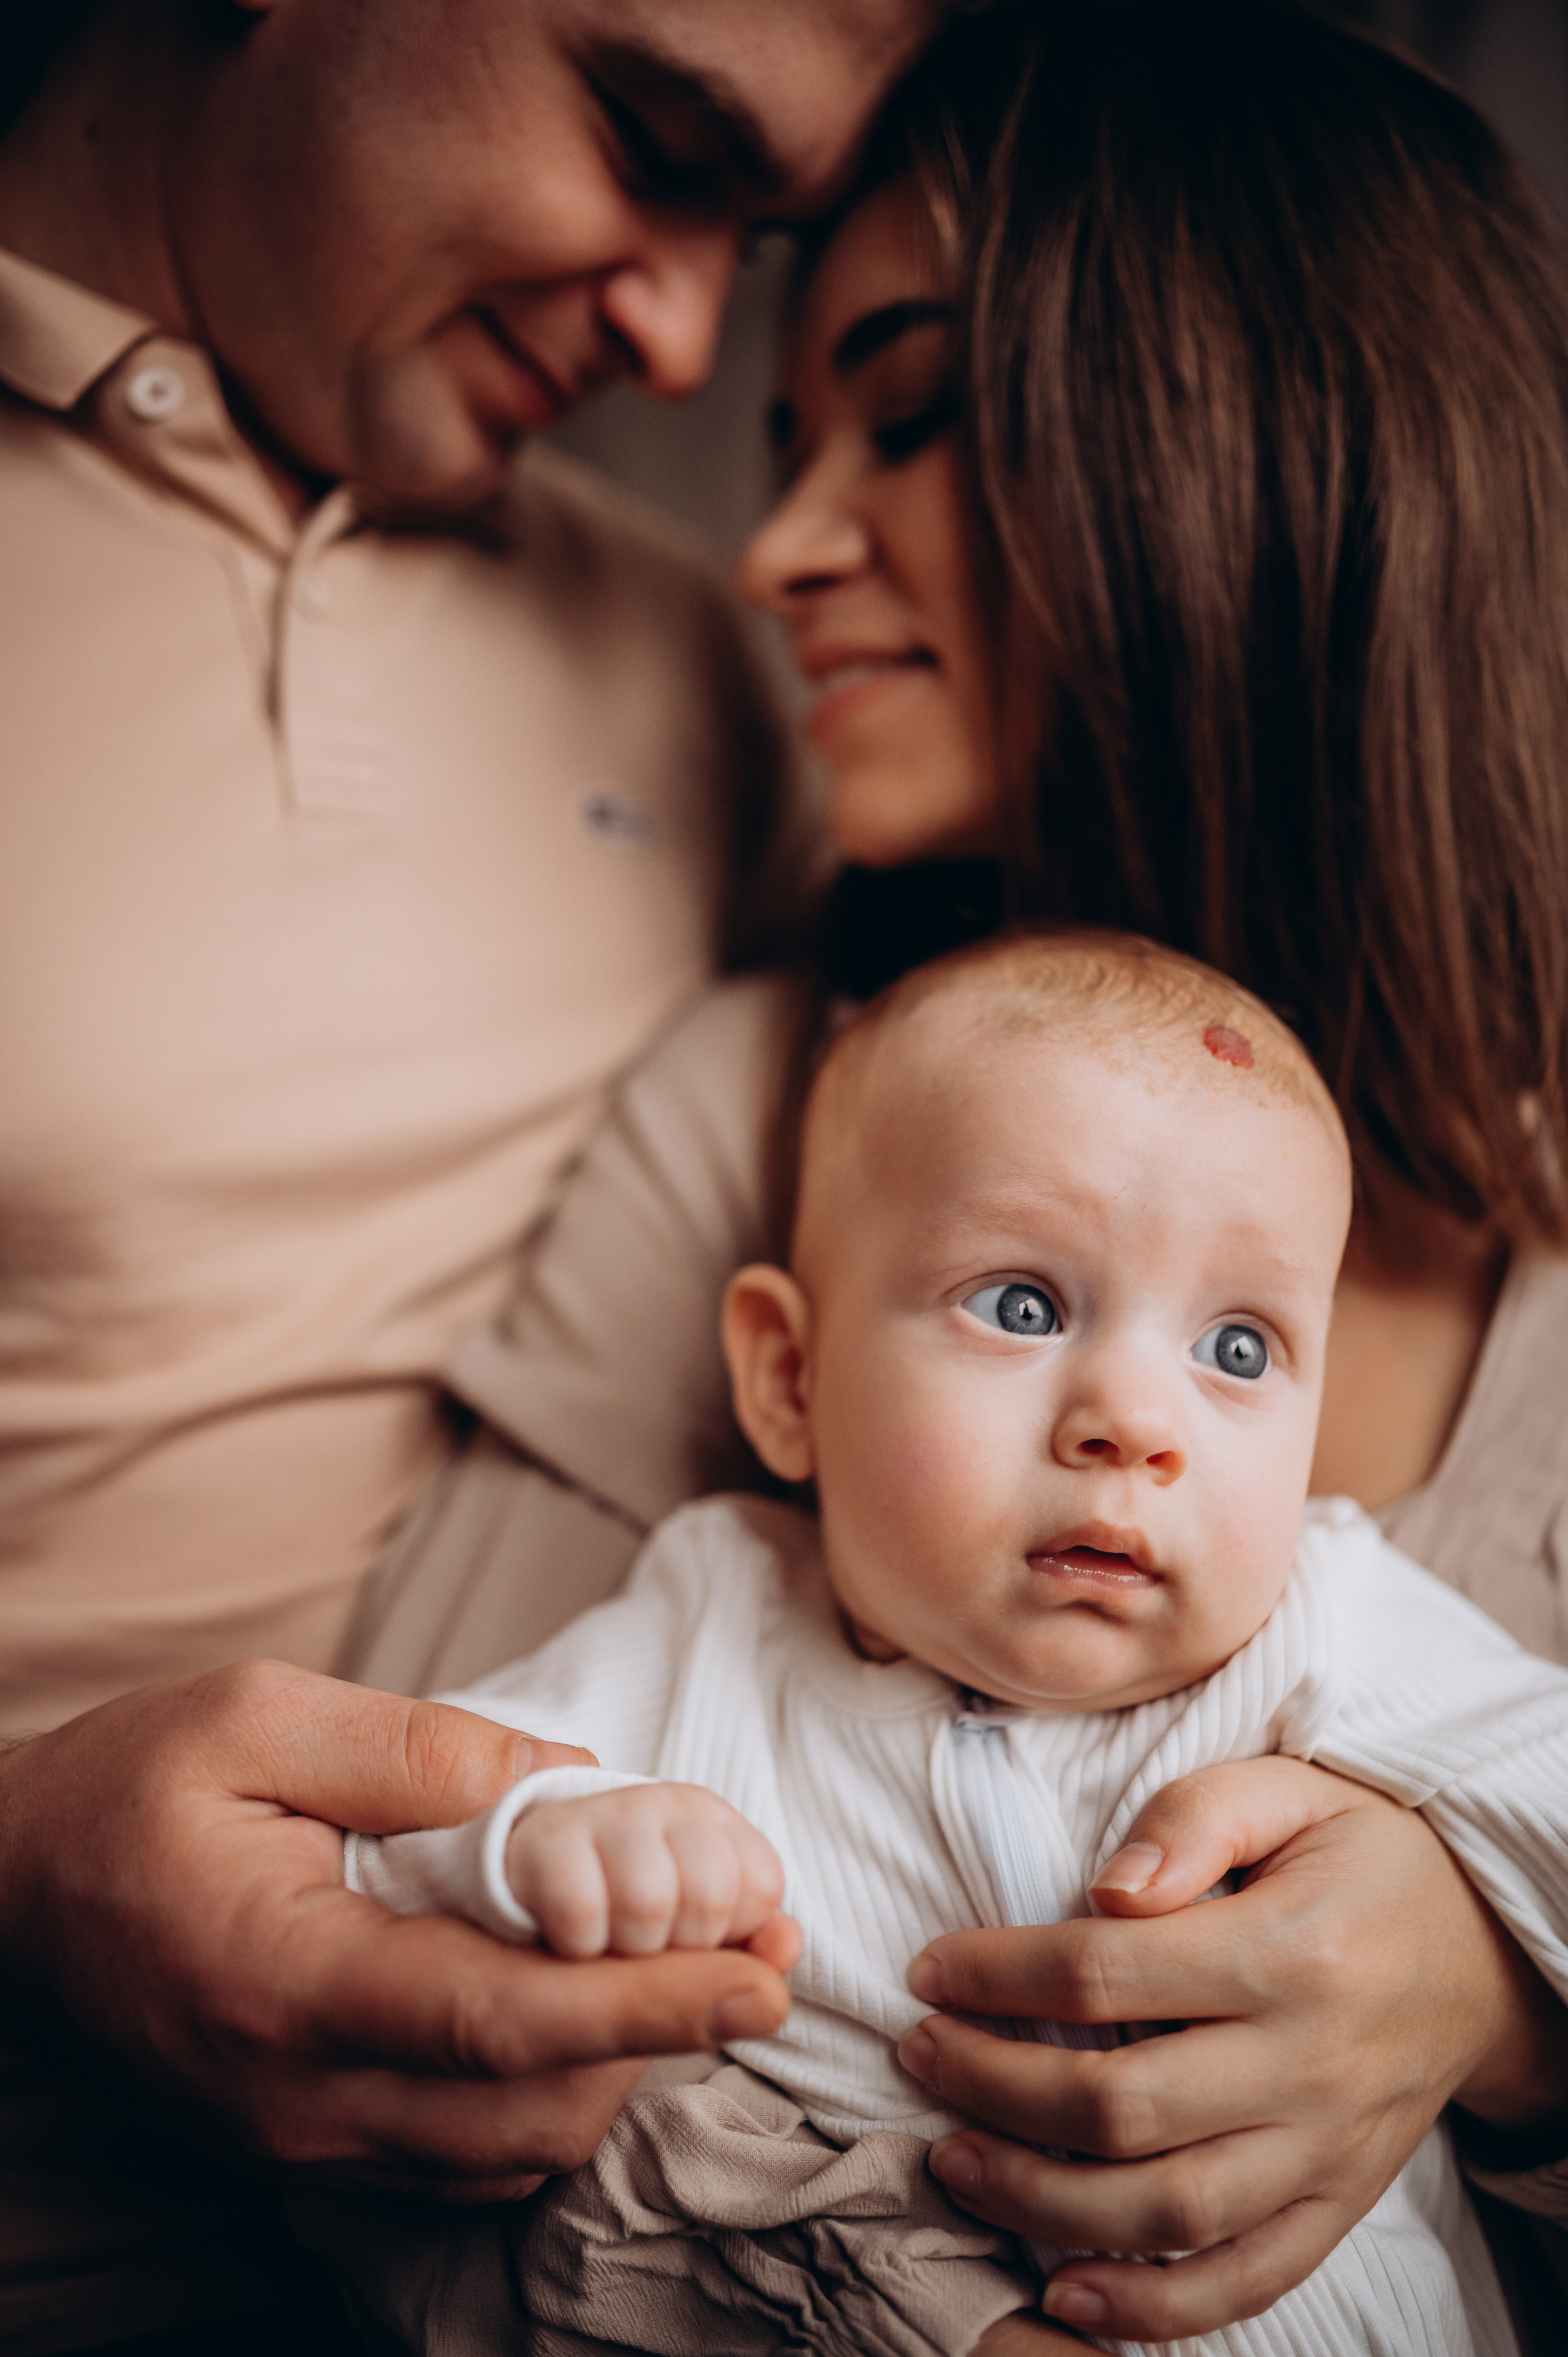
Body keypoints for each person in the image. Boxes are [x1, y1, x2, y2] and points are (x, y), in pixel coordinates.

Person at [346, 3, 1568, 2345]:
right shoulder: (769, 1116)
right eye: (789, 443)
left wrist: (1493, 1995)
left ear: (1264, 445)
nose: (782, 546)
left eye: (905, 416)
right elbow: (388, 2045)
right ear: (783, 1367)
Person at [0, 1, 948, 2348]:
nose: (680, 327)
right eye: (647, 137)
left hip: (520, 2266)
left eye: (764, 233)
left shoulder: (715, 671)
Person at [333, 929, 1567, 2356]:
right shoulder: (713, 1625)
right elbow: (383, 1863)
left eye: (1236, 1349)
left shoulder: (1326, 1616)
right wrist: (545, 1842)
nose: (1135, 1421)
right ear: (789, 1379)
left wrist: (1476, 1948)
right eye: (1023, 1306)